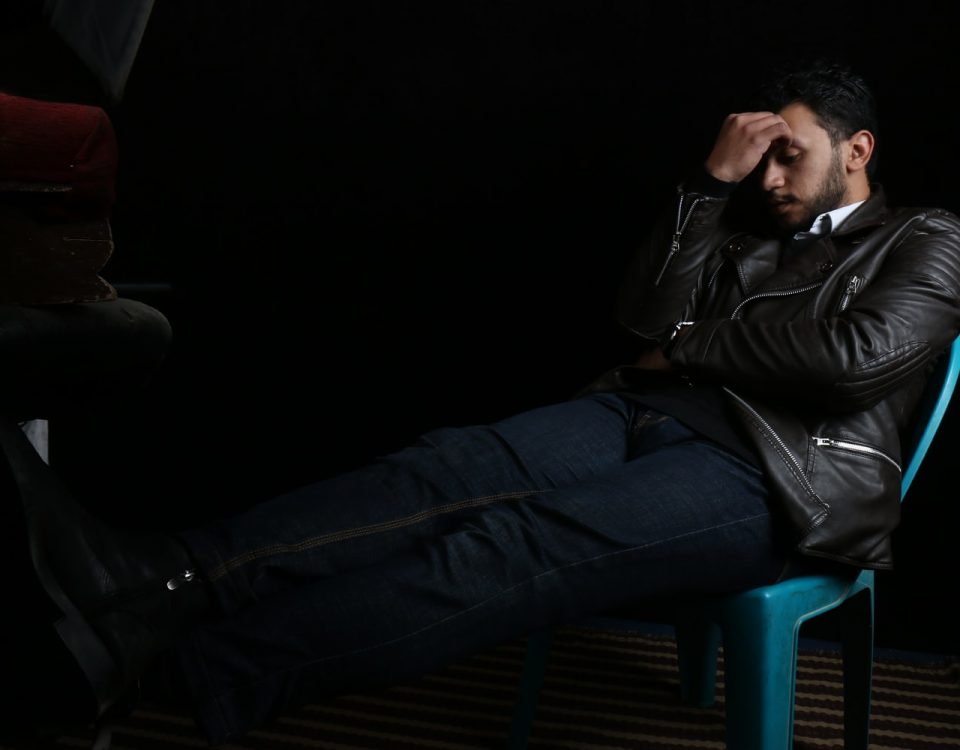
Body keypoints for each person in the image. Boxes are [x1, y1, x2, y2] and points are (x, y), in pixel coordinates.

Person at [5, 60, 960, 744]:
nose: (772, 178)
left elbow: (855, 359)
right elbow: (640, 316)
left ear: (858, 149)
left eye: (789, 156)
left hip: (773, 478)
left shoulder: (927, 236)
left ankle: (177, 674)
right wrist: (707, 185)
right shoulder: (745, 224)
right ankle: (158, 578)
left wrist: (687, 347)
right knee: (434, 473)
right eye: (760, 160)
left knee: (511, 545)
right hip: (638, 415)